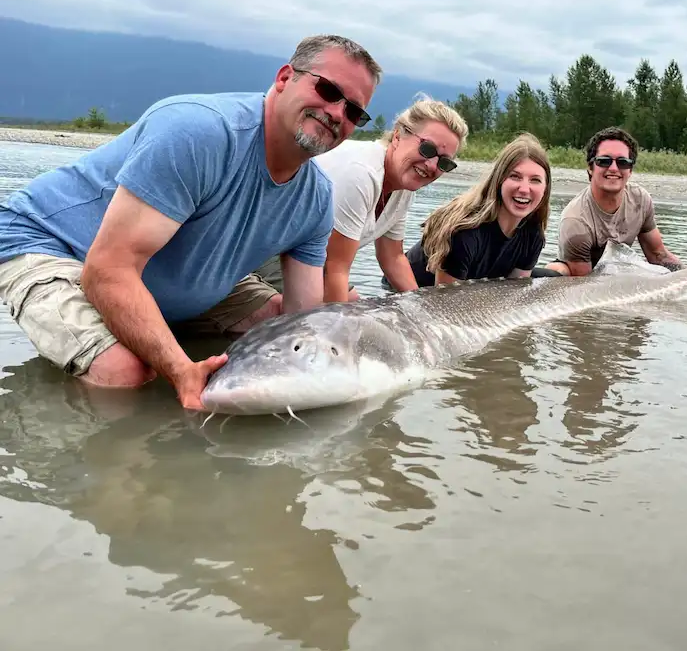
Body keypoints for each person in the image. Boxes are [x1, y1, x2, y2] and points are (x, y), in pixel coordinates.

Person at [0, 33, 382, 411]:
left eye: (354, 112)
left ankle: (161, 327)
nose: (337, 113)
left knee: (277, 324)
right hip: (53, 245)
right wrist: (180, 370)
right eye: (329, 91)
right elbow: (107, 270)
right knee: (123, 373)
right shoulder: (199, 133)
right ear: (284, 78)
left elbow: (300, 322)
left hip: (165, 273)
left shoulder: (316, 200)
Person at [258, 96, 469, 302]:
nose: (432, 165)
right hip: (272, 251)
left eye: (444, 163)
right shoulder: (362, 173)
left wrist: (422, 310)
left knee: (361, 311)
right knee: (326, 324)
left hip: (315, 262)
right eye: (427, 149)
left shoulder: (404, 188)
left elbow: (393, 259)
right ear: (397, 136)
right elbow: (336, 268)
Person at [545, 126, 687, 293]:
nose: (613, 168)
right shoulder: (576, 221)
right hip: (583, 279)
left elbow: (659, 256)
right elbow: (586, 290)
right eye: (604, 161)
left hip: (618, 270)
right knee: (558, 273)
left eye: (622, 162)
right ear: (590, 168)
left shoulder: (640, 200)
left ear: (630, 170)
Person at [406, 132, 552, 286]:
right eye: (515, 176)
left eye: (535, 180)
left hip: (475, 284)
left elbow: (514, 292)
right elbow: (446, 301)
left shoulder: (533, 235)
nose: (524, 189)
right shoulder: (464, 232)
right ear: (499, 180)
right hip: (410, 290)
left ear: (545, 188)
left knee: (553, 278)